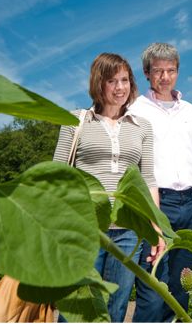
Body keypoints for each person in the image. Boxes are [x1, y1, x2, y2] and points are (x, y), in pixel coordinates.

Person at [53, 52, 165, 323]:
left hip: (128, 231)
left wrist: (157, 228)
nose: (120, 87)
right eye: (112, 80)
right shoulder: (76, 121)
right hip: (84, 228)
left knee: (115, 308)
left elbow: (148, 179)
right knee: (77, 308)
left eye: (125, 80)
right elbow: (56, 176)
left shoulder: (142, 127)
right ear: (98, 83)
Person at [129, 43, 192, 322]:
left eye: (171, 70)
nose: (165, 77)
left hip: (189, 203)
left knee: (181, 285)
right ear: (146, 73)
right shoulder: (136, 109)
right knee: (153, 287)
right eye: (158, 71)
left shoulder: (189, 111)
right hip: (155, 204)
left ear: (177, 72)